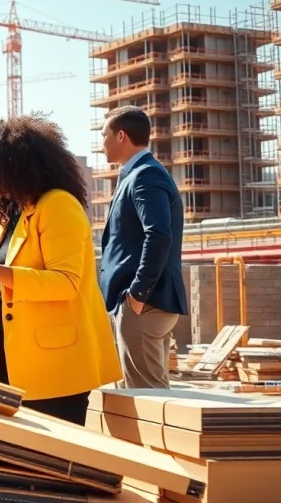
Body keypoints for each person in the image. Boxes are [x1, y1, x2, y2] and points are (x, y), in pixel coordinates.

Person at [0, 115, 121, 425]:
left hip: (56, 365)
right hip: (12, 361)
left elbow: (66, 282)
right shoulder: (10, 214)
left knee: (54, 462)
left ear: (14, 164)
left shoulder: (58, 206)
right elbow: (3, 282)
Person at [99, 105, 187, 389]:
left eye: (104, 136)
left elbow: (159, 235)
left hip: (144, 305)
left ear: (121, 136)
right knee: (146, 394)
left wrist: (137, 294)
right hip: (144, 304)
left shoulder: (145, 175)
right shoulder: (138, 174)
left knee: (146, 396)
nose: (102, 144)